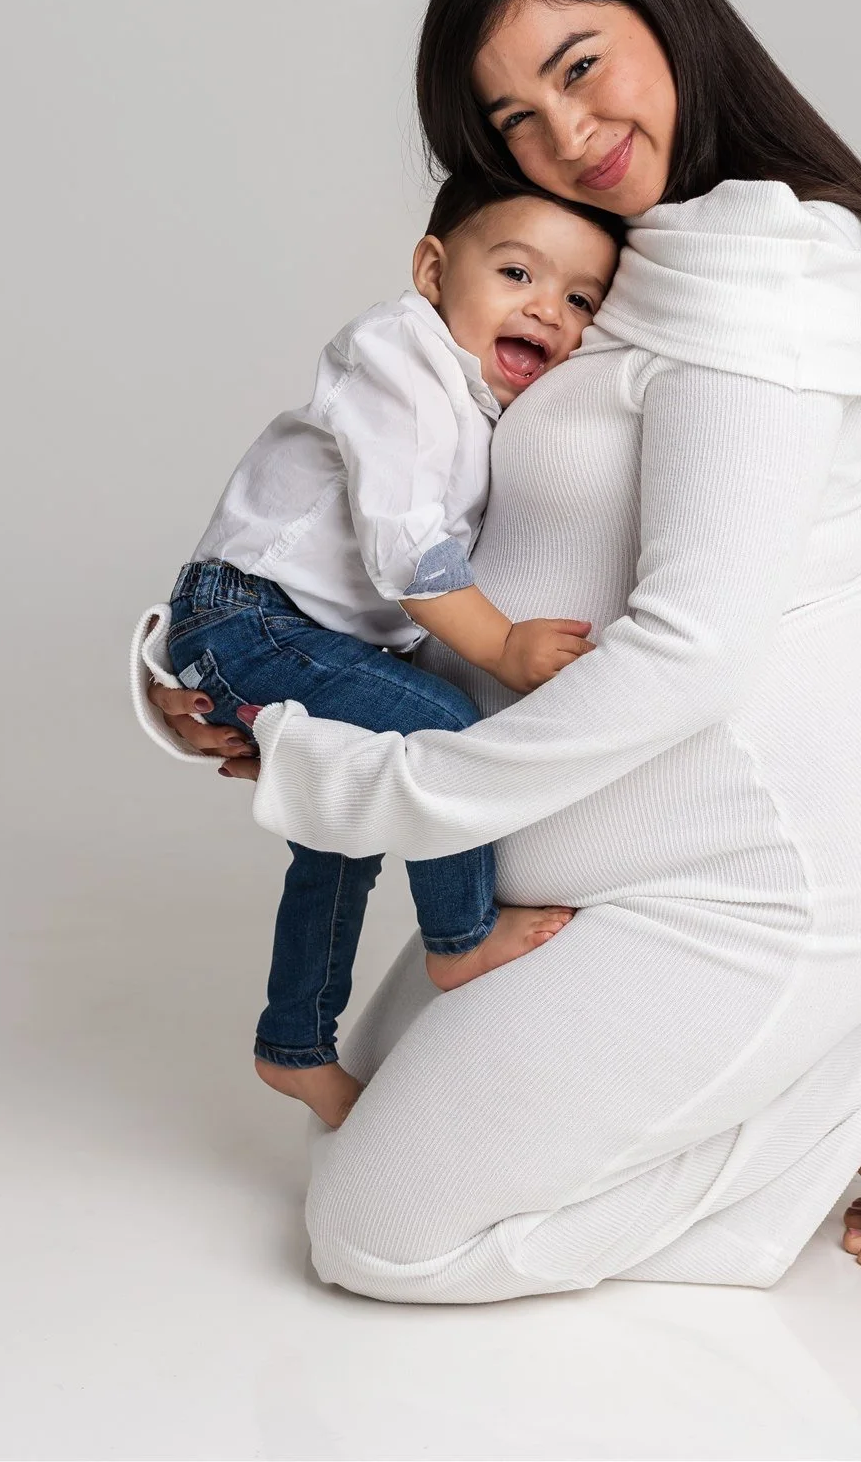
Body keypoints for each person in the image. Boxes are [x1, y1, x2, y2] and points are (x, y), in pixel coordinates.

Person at [135, 0, 861, 1298]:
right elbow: (403, 513)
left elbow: (693, 652)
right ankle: (801, 1065)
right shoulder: (608, 255)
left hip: (755, 868)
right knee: (359, 1125)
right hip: (563, 851)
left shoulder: (766, 274)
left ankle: (851, 1079)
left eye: (581, 65)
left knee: (377, 1234)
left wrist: (366, 781)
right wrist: (218, 677)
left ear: (669, 16)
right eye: (515, 116)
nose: (568, 134)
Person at [134, 175, 621, 1128]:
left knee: (339, 841)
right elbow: (405, 547)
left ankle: (294, 1047)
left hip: (298, 632)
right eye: (516, 273)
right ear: (432, 272)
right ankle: (458, 936)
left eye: (579, 300)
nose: (546, 310)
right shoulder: (399, 359)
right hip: (251, 619)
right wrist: (501, 645)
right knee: (446, 731)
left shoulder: (483, 397)